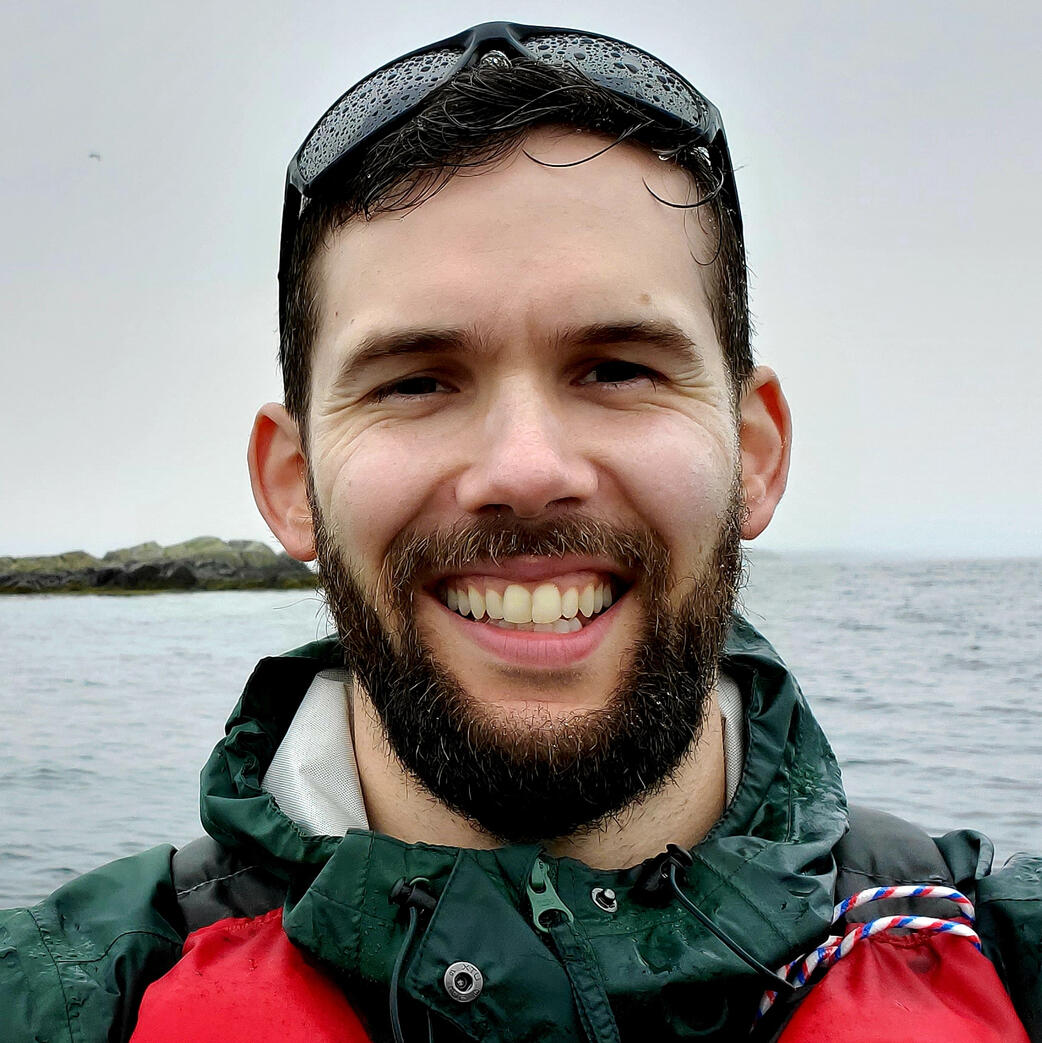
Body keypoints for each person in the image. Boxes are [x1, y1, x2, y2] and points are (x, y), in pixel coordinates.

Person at [1, 21, 1039, 1043]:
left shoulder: (1000, 951)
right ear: (293, 484)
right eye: (415, 380)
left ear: (756, 451)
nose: (527, 469)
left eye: (617, 367)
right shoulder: (59, 995)